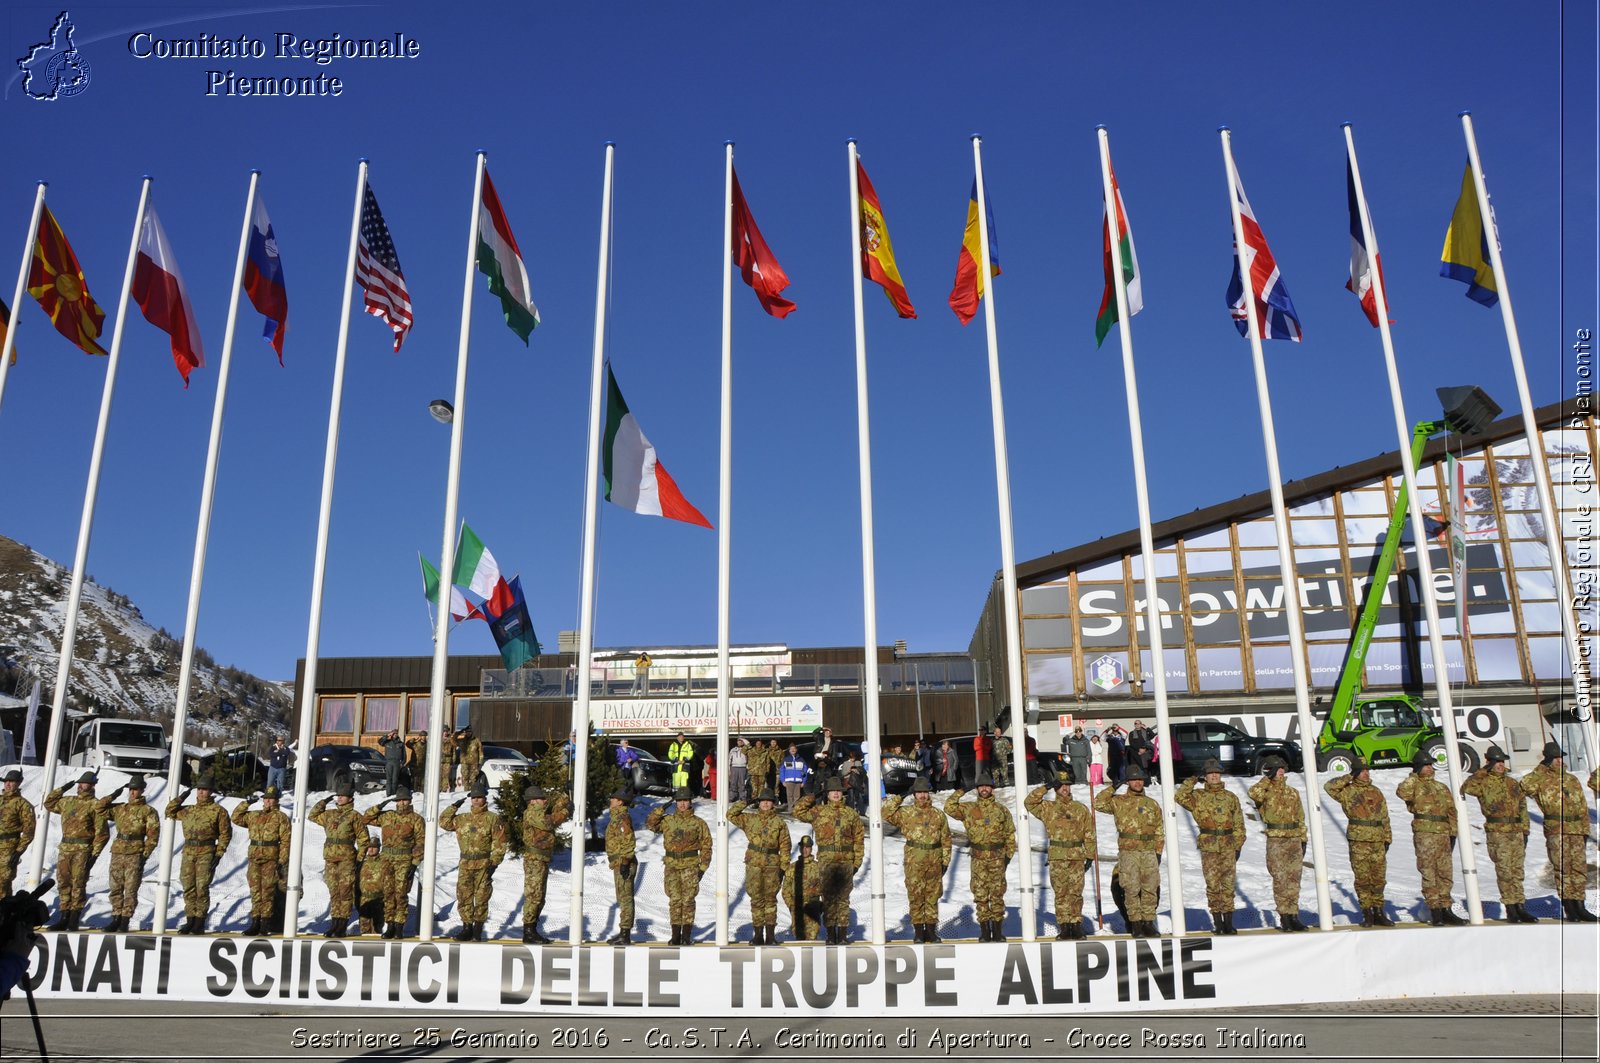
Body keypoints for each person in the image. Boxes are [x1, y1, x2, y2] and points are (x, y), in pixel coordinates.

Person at [1519, 740, 1597, 921]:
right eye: (1554, 758)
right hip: (1557, 829)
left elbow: (1582, 806)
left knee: (1578, 869)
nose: (1559, 761)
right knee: (1562, 869)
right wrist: (1541, 768)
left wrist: (1585, 830)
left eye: (1560, 757)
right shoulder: (1539, 779)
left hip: (1577, 829)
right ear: (1547, 759)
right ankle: (1569, 907)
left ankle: (1580, 905)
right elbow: (1523, 786)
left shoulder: (1571, 779)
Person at [1460, 744, 1535, 923]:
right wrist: (1482, 771)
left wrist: (1525, 829)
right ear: (1489, 763)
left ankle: (1520, 906)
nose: (1500, 765)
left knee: (1517, 870)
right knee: (1504, 871)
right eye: (1496, 761)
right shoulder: (1483, 782)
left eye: (1502, 761)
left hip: (1516, 831)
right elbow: (1467, 788)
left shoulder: (1512, 783)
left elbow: (1523, 807)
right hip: (1498, 832)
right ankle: (1511, 908)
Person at [1175, 759, 1247, 934]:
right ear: (1205, 776)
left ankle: (1229, 922)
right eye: (1210, 773)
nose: (1214, 776)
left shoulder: (1230, 797)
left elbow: (1239, 824)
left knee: (1228, 885)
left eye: (1216, 773)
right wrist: (1193, 779)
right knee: (1213, 885)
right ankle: (1218, 922)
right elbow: (1179, 796)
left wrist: (1237, 845)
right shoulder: (1198, 797)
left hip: (1228, 845)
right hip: (1209, 847)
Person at [943, 773, 1017, 941]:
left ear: (992, 788)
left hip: (997, 858)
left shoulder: (1001, 810)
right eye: (981, 786)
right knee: (981, 895)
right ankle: (984, 931)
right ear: (977, 789)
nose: (984, 789)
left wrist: (1007, 857)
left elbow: (1010, 835)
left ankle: (997, 931)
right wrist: (962, 790)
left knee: (997, 894)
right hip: (978, 858)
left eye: (987, 786)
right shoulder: (969, 809)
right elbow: (949, 807)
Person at [1093, 763, 1164, 937]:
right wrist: (1114, 786)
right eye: (1133, 780)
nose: (1138, 783)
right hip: (1128, 852)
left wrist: (1158, 852)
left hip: (1148, 852)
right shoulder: (1118, 802)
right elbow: (1098, 803)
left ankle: (1148, 923)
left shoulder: (1152, 804)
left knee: (1150, 888)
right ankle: (1136, 924)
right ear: (1128, 782)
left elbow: (1159, 830)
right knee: (1131, 889)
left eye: (1140, 779)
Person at [792, 778, 865, 943]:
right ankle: (831, 934)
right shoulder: (819, 812)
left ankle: (843, 935)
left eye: (838, 791)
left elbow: (859, 840)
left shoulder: (851, 814)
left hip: (846, 862)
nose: (836, 793)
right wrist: (811, 797)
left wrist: (857, 863)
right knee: (829, 899)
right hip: (826, 861)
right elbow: (797, 811)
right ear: (827, 794)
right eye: (832, 791)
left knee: (843, 899)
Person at [1395, 752, 1465, 925]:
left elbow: (1451, 811)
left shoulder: (1441, 787)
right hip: (1425, 833)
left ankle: (1446, 908)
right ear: (1418, 768)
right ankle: (1435, 910)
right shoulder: (1414, 785)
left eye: (1430, 765)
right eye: (1425, 765)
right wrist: (1413, 775)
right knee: (1429, 872)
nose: (1429, 768)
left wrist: (1453, 832)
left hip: (1443, 833)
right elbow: (1402, 792)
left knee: (1445, 872)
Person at [1026, 769, 1096, 939]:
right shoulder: (1048, 808)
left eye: (1067, 785)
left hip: (1076, 855)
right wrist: (1047, 787)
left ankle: (1076, 925)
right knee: (1061, 892)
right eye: (1060, 785)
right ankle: (1065, 926)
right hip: (1057, 856)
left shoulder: (1080, 809)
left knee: (1076, 893)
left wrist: (1090, 855)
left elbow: (1089, 832)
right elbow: (1029, 802)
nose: (1064, 788)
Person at [1325, 759, 1393, 927]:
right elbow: (1329, 787)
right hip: (1359, 840)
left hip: (1377, 839)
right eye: (1361, 770)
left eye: (1367, 770)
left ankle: (1378, 910)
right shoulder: (1347, 791)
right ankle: (1367, 912)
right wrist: (1348, 776)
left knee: (1379, 878)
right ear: (1355, 773)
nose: (1366, 773)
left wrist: (1387, 837)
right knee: (1362, 878)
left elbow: (1384, 816)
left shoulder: (1376, 791)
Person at [883, 777, 951, 941]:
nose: (922, 795)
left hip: (934, 860)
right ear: (914, 794)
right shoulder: (906, 813)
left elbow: (946, 840)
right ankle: (919, 932)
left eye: (924, 792)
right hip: (914, 861)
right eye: (919, 792)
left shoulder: (938, 814)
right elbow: (885, 812)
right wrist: (901, 795)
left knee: (932, 897)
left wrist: (945, 861)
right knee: (916, 896)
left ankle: (931, 931)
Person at [1247, 755, 1310, 931]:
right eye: (1277, 769)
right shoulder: (1265, 791)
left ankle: (1294, 915)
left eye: (1282, 768)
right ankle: (1284, 917)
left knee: (1294, 879)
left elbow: (1300, 817)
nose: (1281, 771)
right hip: (1276, 840)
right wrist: (1267, 779)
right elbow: (1253, 793)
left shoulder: (1292, 792)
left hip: (1294, 838)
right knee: (1280, 879)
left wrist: (1303, 839)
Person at [643, 788, 713, 944]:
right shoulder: (668, 820)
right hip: (672, 866)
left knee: (688, 901)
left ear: (690, 802)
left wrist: (702, 868)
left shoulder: (698, 823)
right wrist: (662, 808)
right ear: (676, 803)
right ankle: (675, 935)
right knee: (674, 900)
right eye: (679, 801)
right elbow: (650, 824)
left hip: (691, 866)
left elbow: (707, 846)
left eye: (685, 801)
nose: (682, 804)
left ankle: (686, 936)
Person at [166, 775, 233, 934]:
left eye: (206, 790)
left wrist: (219, 853)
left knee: (201, 887)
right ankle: (190, 919)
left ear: (211, 792)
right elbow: (169, 811)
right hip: (189, 852)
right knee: (188, 886)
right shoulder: (188, 810)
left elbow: (225, 834)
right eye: (200, 789)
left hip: (206, 852)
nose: (203, 793)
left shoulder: (218, 811)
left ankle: (199, 921)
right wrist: (181, 797)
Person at [442, 781, 508, 942]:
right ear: (470, 799)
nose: (477, 800)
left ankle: (477, 930)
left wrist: (494, 863)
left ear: (485, 798)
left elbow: (500, 842)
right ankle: (466, 928)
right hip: (465, 864)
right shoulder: (462, 819)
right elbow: (443, 822)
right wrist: (454, 806)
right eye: (474, 797)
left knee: (482, 897)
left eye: (479, 797)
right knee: (464, 897)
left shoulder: (492, 819)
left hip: (483, 864)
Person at [43, 771, 108, 931]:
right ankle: (64, 915)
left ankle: (73, 918)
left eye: (83, 783)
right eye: (79, 783)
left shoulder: (95, 805)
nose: (80, 786)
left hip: (83, 850)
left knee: (78, 884)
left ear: (92, 785)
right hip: (65, 848)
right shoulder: (68, 801)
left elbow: (102, 834)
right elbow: (49, 803)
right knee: (63, 882)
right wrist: (63, 788)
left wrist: (94, 854)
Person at [94, 773, 158, 932]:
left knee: (130, 889)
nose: (132, 792)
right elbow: (99, 808)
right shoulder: (120, 808)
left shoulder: (148, 811)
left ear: (142, 790)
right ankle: (115, 917)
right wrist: (114, 794)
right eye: (130, 789)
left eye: (135, 789)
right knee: (115, 887)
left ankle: (125, 920)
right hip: (118, 852)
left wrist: (145, 854)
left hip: (134, 852)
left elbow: (152, 836)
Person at [360, 787, 425, 938]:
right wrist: (379, 806)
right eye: (399, 800)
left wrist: (414, 863)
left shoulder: (416, 819)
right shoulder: (387, 816)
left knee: (400, 894)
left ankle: (399, 926)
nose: (402, 803)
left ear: (410, 801)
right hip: (387, 860)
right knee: (388, 894)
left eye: (404, 800)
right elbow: (366, 818)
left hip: (404, 860)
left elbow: (421, 842)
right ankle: (390, 925)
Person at [727, 789, 791, 944]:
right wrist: (747, 801)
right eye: (763, 801)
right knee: (756, 900)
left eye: (768, 801)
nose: (766, 803)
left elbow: (785, 846)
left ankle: (770, 935)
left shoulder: (779, 823)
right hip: (754, 865)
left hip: (772, 865)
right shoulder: (750, 819)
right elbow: (730, 815)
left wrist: (783, 867)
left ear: (773, 804)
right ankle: (757, 935)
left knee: (770, 900)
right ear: (759, 803)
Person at [230, 785, 291, 935]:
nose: (268, 802)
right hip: (254, 858)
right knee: (255, 891)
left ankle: (265, 923)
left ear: (276, 801)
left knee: (267, 892)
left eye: (271, 799)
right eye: (266, 799)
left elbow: (286, 841)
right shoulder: (254, 815)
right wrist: (246, 803)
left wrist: (282, 861)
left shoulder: (281, 817)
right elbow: (236, 818)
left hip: (271, 859)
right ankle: (255, 922)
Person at [309, 779, 364, 936]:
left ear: (350, 798)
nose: (339, 798)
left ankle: (342, 923)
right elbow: (312, 815)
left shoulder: (354, 816)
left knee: (345, 892)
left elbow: (363, 840)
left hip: (347, 859)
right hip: (331, 859)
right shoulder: (330, 815)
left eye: (343, 796)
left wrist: (358, 860)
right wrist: (323, 802)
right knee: (334, 892)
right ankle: (335, 922)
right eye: (338, 795)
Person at [519, 784, 572, 943]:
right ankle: (528, 931)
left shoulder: (538, 812)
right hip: (535, 860)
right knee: (534, 895)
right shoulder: (532, 814)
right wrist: (565, 812)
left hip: (541, 859)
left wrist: (565, 797)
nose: (544, 801)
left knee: (539, 896)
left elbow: (553, 811)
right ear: (533, 801)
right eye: (541, 798)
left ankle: (532, 928)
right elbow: (550, 821)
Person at [603, 790, 638, 944]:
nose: (611, 800)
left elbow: (628, 842)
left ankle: (625, 934)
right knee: (622, 898)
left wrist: (624, 863)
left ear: (620, 802)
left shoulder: (622, 818)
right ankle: (623, 932)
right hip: (618, 862)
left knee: (625, 898)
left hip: (624, 863)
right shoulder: (616, 817)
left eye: (614, 798)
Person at [0, 770, 37, 903]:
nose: (8, 784)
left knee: (2, 883)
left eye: (12, 782)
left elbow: (29, 831)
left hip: (8, 848)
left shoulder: (22, 804)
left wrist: (18, 851)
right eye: (6, 781)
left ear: (19, 783)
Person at [781, 835, 824, 942]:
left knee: (812, 938)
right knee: (799, 938)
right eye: (802, 847)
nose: (804, 850)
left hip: (813, 907)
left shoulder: (818, 867)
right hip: (797, 907)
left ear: (811, 848)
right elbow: (786, 889)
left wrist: (822, 906)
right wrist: (791, 905)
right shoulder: (792, 868)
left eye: (807, 847)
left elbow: (825, 889)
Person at [356, 839, 388, 935]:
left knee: (377, 929)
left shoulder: (383, 863)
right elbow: (356, 882)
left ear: (378, 848)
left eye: (374, 847)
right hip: (364, 900)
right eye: (369, 847)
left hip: (378, 900)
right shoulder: (361, 863)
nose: (371, 849)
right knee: (364, 929)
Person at [779, 743, 809, 808]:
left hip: (798, 781)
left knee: (797, 796)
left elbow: (805, 771)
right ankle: (790, 809)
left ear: (796, 750)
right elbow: (782, 770)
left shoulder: (801, 759)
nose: (793, 750)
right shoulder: (786, 759)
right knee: (789, 796)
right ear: (789, 751)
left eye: (794, 748)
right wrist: (783, 781)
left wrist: (803, 781)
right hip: (789, 781)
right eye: (791, 749)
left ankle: (796, 809)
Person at [378, 729, 407, 796]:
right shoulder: (387, 742)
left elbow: (404, 755)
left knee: (395, 779)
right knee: (389, 779)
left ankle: (393, 793)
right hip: (389, 762)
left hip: (397, 762)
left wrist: (402, 763)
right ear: (391, 734)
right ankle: (388, 793)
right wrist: (387, 735)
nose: (395, 735)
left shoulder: (400, 743)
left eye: (396, 733)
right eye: (394, 734)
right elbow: (380, 742)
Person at [456, 728, 485, 794]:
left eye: (469, 732)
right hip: (464, 762)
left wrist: (480, 762)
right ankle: (466, 792)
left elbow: (480, 751)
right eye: (467, 732)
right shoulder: (462, 740)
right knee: (465, 778)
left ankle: (473, 793)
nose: (468, 733)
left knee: (473, 779)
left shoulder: (476, 740)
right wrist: (459, 732)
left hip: (474, 763)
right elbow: (453, 740)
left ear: (472, 732)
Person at [1066, 727, 1091, 791]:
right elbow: (1064, 741)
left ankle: (1084, 784)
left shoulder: (1085, 740)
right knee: (1076, 772)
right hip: (1074, 758)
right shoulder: (1071, 740)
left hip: (1083, 758)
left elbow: (1089, 750)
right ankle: (1077, 785)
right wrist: (1068, 735)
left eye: (1079, 732)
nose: (1078, 733)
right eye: (1076, 732)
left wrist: (1089, 758)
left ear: (1081, 732)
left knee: (1083, 772)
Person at [728, 738, 750, 805]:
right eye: (739, 741)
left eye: (741, 741)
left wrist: (747, 767)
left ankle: (742, 797)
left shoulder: (746, 749)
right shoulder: (733, 750)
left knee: (742, 783)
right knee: (733, 783)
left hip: (743, 767)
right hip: (734, 767)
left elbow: (748, 745)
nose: (740, 742)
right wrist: (729, 769)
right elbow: (729, 759)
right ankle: (732, 796)